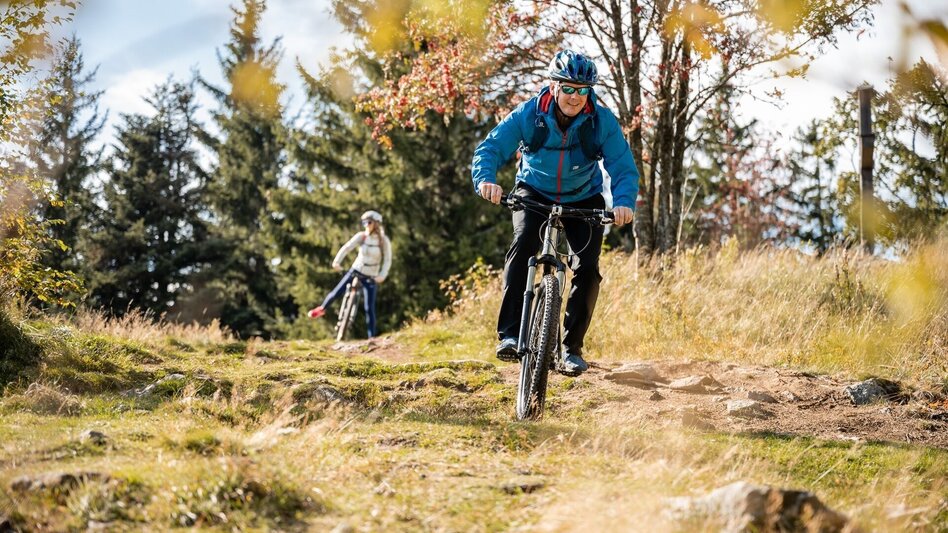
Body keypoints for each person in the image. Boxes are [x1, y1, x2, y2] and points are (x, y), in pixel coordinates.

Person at [470, 49, 640, 376]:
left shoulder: (601, 121)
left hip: (584, 196)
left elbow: (623, 168)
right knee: (523, 247)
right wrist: (486, 181)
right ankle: (509, 334)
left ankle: (571, 348)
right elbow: (491, 147)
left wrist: (624, 203)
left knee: (587, 268)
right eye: (569, 88)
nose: (576, 97)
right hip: (534, 190)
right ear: (553, 87)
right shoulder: (529, 114)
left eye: (583, 90)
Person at [308, 210, 392, 338]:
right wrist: (337, 261)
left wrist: (382, 275)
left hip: (372, 276)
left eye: (368, 222)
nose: (366, 225)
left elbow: (387, 260)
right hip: (356, 270)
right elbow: (347, 247)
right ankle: (322, 309)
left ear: (376, 223)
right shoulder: (362, 236)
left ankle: (372, 337)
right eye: (364, 222)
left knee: (369, 307)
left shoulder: (383, 241)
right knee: (337, 291)